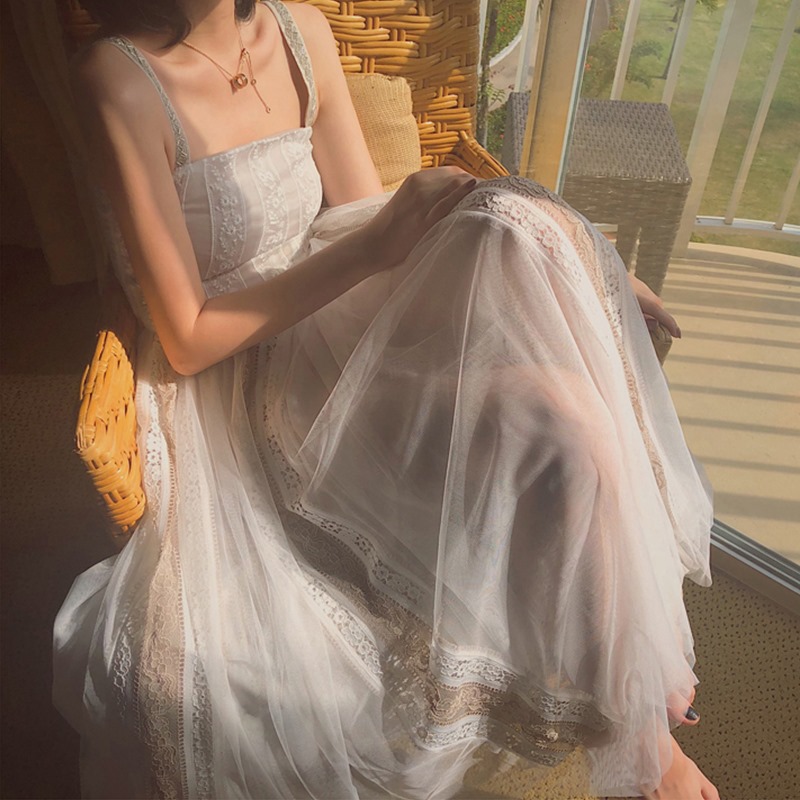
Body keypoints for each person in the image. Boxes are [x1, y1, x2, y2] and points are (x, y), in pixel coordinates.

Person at [52, 1, 721, 798]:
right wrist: (378, 244)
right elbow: (190, 336)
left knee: (566, 409)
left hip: (342, 320)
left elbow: (364, 216)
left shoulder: (299, 29)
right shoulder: (119, 78)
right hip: (233, 375)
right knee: (545, 392)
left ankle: (633, 702)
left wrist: (569, 266)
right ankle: (648, 750)